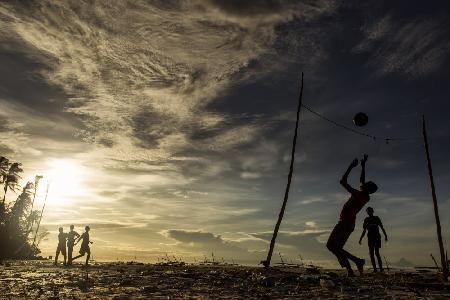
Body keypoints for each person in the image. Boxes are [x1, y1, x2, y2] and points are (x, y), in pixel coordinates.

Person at [326, 154, 378, 277]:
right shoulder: (366, 197)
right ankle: (350, 271)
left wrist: (351, 166)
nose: (362, 183)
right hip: (350, 224)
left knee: (331, 245)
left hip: (345, 223)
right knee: (338, 248)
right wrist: (363, 166)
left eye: (365, 184)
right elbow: (362, 181)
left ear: (366, 188)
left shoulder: (357, 194)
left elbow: (342, 181)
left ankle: (357, 261)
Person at [359, 207, 388, 272]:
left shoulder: (376, 218)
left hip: (377, 237)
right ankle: (375, 269)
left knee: (377, 253)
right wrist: (361, 238)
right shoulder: (366, 219)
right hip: (370, 238)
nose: (369, 212)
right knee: (371, 254)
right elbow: (364, 231)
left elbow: (382, 227)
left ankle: (380, 269)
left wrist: (385, 236)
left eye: (370, 211)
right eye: (368, 211)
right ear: (367, 212)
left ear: (373, 211)